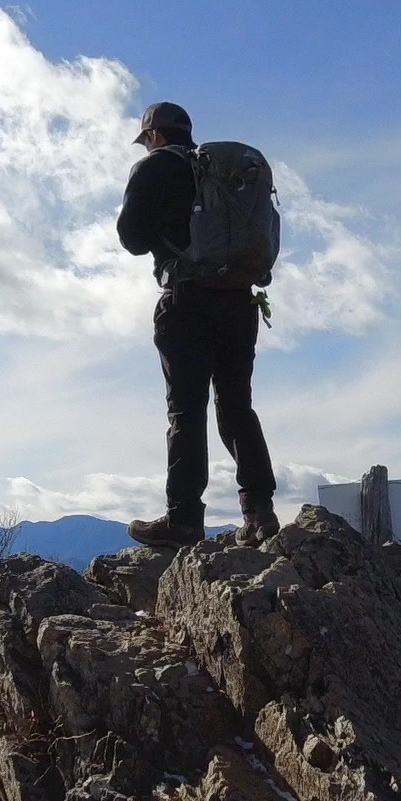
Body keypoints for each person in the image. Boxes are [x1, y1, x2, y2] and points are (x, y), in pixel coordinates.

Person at [117, 101, 280, 548]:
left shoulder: (153, 169)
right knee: (236, 406)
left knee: (186, 411)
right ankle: (260, 512)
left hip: (186, 303)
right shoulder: (218, 171)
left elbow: (130, 237)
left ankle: (184, 519)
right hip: (239, 303)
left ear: (152, 135)